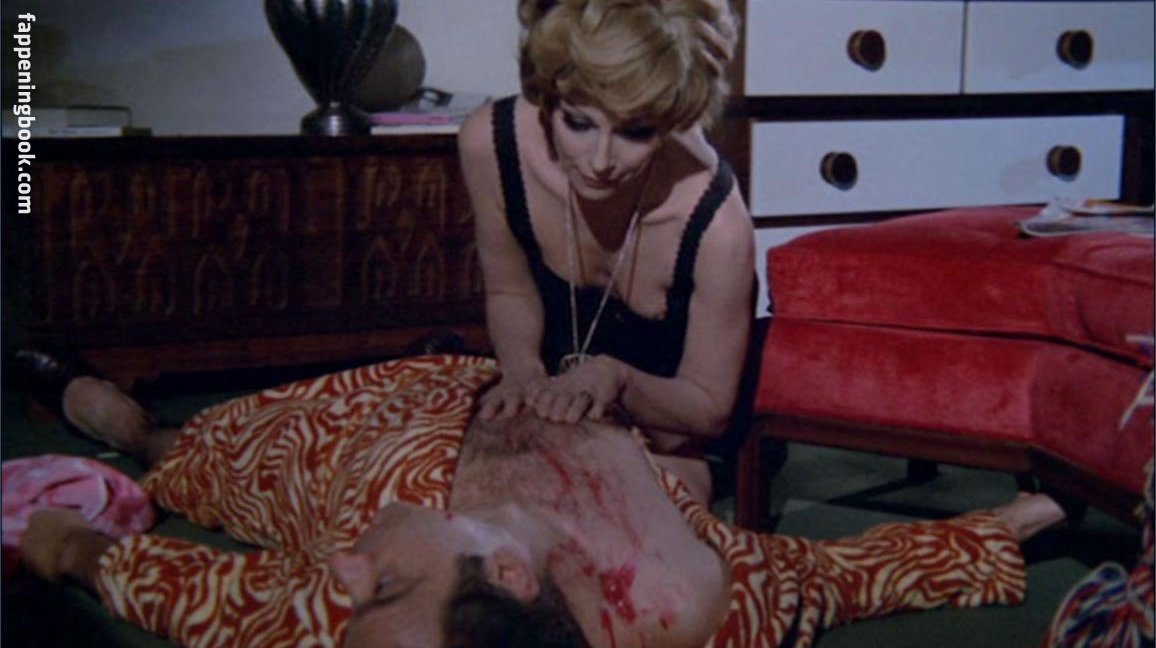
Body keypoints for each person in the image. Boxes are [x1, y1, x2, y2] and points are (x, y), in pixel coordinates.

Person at [16, 351, 1066, 648]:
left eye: (356, 597)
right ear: (510, 573)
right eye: (383, 586)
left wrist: (65, 548)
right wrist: (1013, 520)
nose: (342, 576)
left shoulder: (345, 599)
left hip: (337, 448)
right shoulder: (691, 600)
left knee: (194, 454)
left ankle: (135, 427)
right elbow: (832, 575)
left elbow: (213, 600)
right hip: (473, 374)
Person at [459, 0, 756, 503]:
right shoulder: (491, 145)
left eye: (635, 132)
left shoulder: (717, 226)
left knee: (609, 519)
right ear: (549, 97)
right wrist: (523, 370)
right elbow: (511, 290)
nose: (600, 161)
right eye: (578, 123)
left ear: (672, 117)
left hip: (666, 442)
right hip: (543, 414)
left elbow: (709, 410)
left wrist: (617, 380)